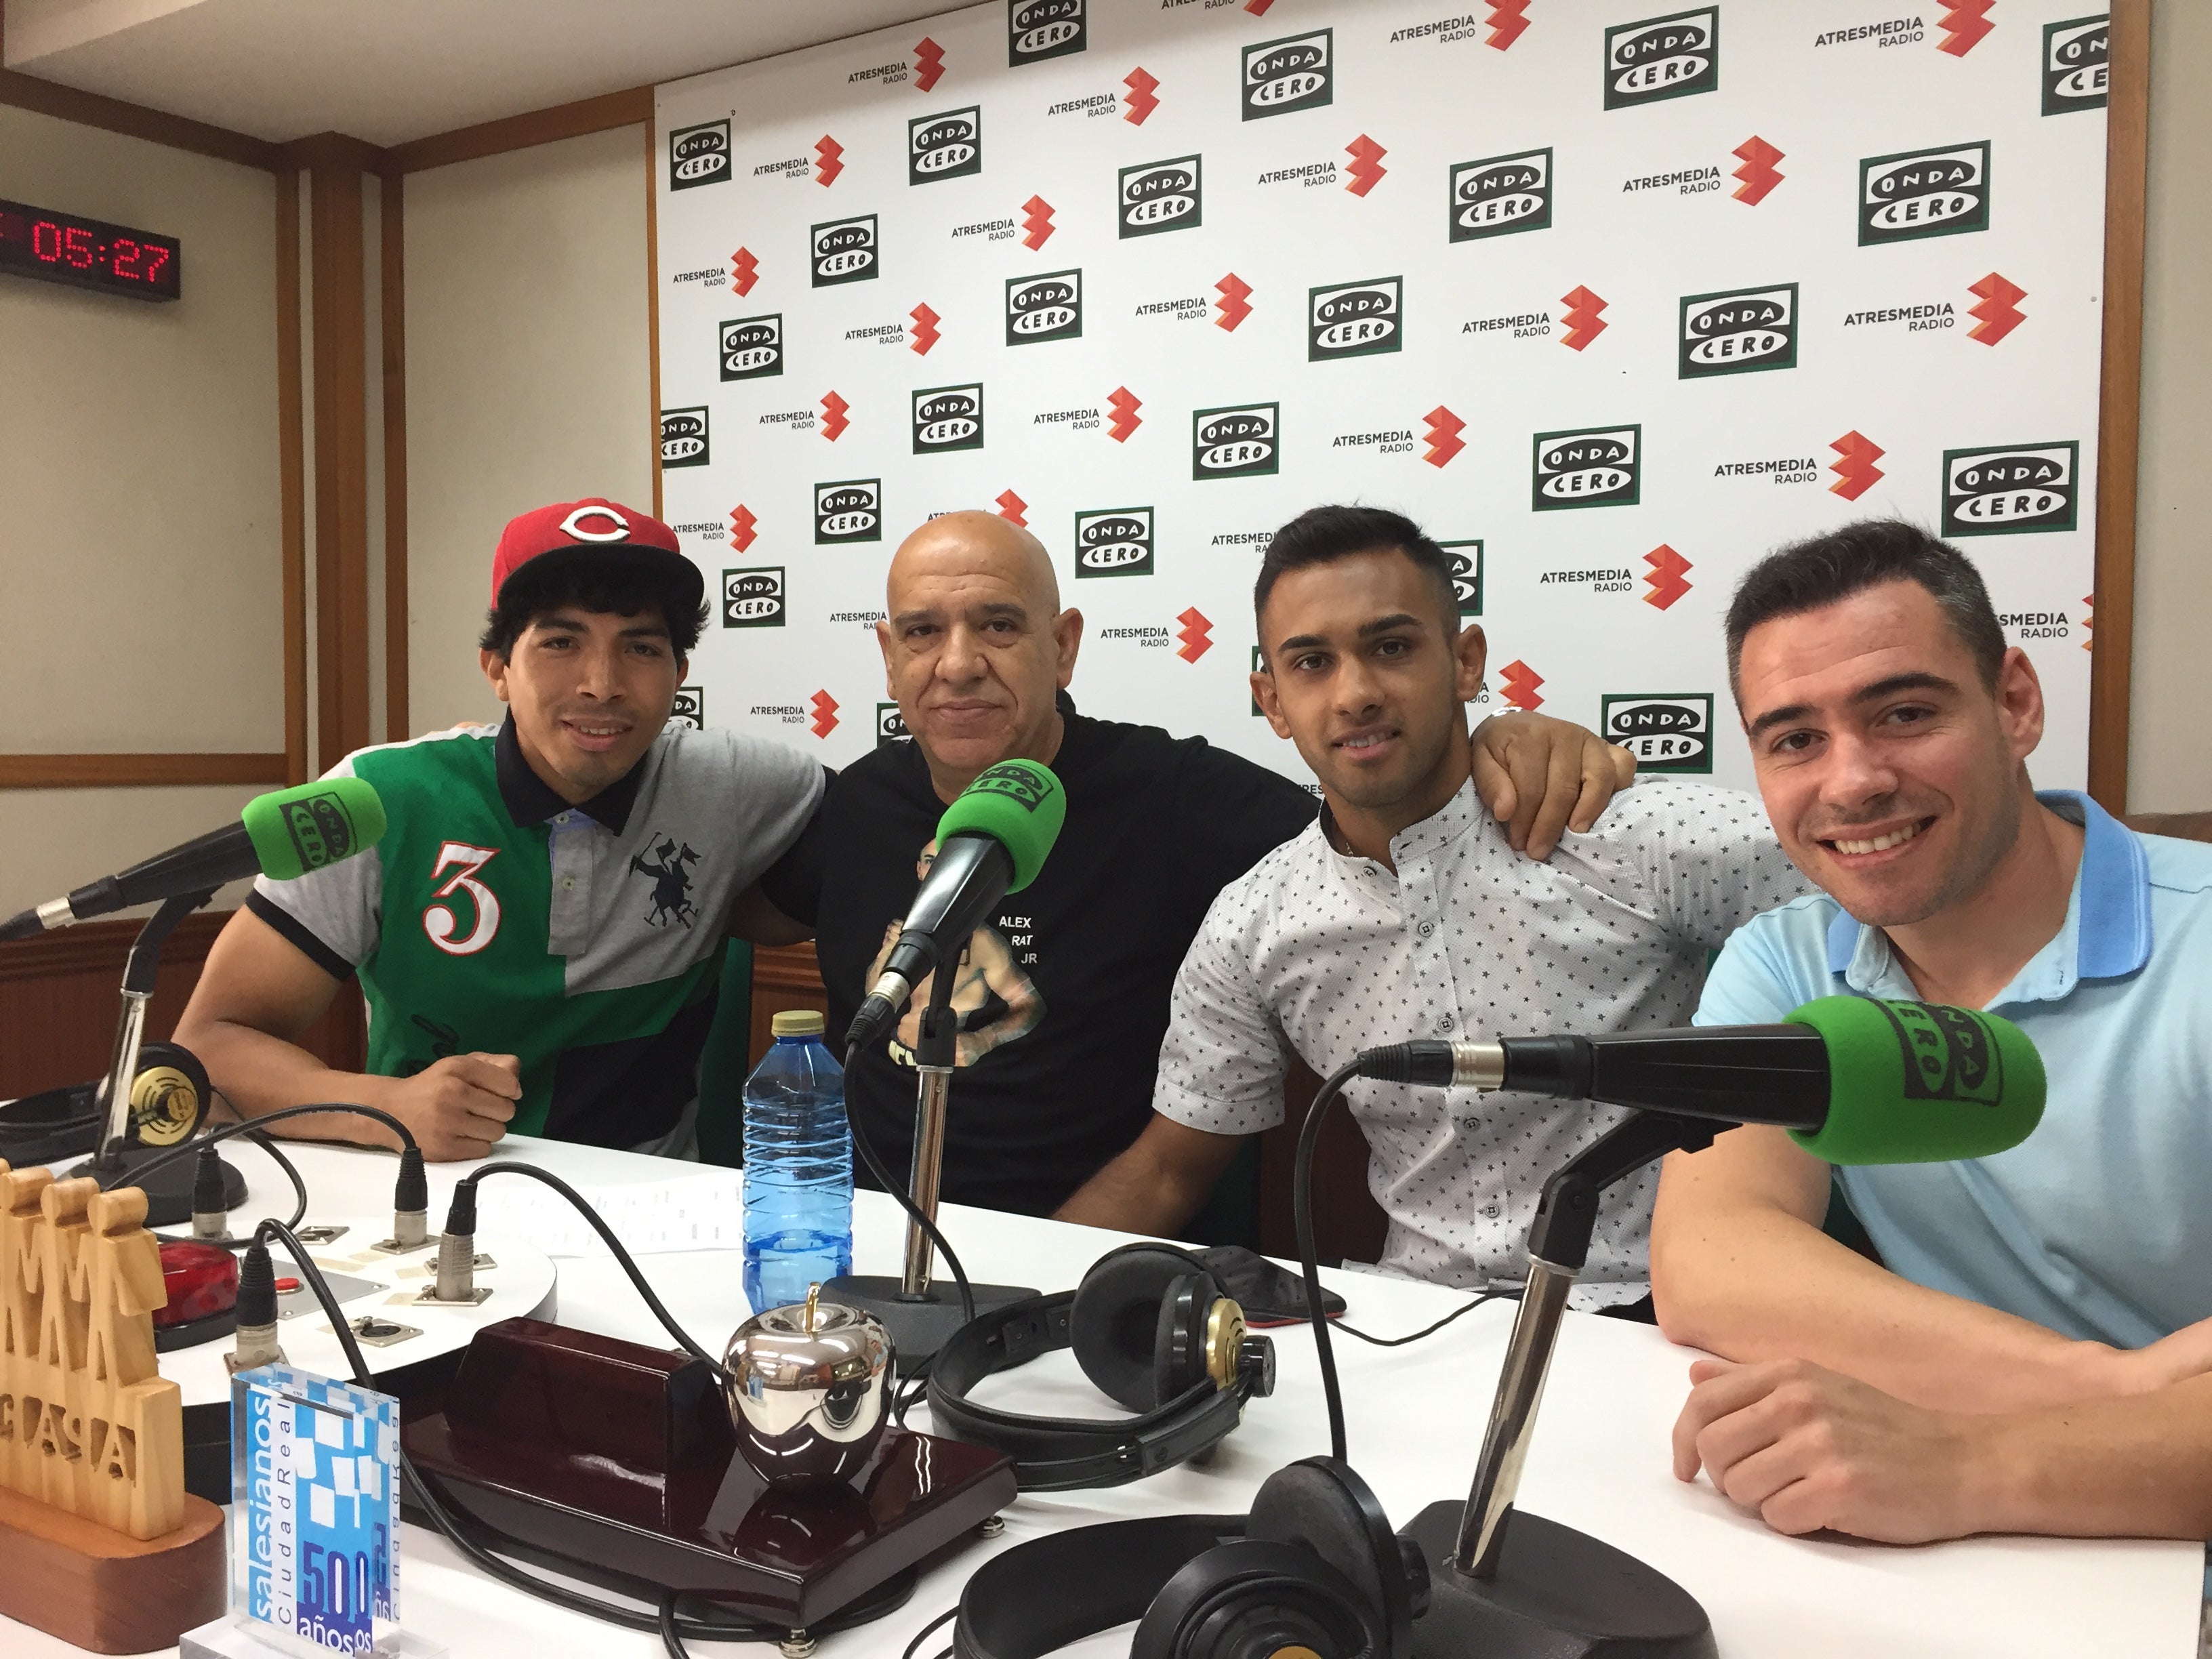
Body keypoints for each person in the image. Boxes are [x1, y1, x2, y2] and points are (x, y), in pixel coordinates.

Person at [739, 510, 1633, 1218]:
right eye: (922, 633)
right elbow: (736, 912)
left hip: (1090, 1259)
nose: (958, 664)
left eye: (999, 626)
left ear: (1064, 645)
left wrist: (1506, 740)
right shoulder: (853, 806)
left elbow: (1379, 820)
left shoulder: (1177, 799)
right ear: (888, 655)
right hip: (857, 1237)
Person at [1054, 506, 1809, 1305]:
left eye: (1391, 647)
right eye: (1312, 663)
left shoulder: (1626, 836)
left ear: (1464, 661)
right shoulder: (1254, 923)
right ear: (1271, 700)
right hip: (1408, 1318)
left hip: (1656, 1316)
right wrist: (1018, 1302)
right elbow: (1169, 1168)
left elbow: (1878, 884)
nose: (1355, 694)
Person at [1650, 518, 2212, 1546]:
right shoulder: (1782, 961)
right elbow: (1710, 1256)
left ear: (2015, 703)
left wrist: (1970, 1463)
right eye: (1795, 740)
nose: (1853, 781)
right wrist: (2109, 1386)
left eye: (1904, 713)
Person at [174, 499, 824, 1160]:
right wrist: (387, 1109)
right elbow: (209, 1047)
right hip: (427, 1189)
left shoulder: (729, 784)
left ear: (679, 674)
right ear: (497, 668)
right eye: (560, 643)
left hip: (657, 1198)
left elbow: (874, 819)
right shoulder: (381, 798)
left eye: (641, 648)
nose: (602, 685)